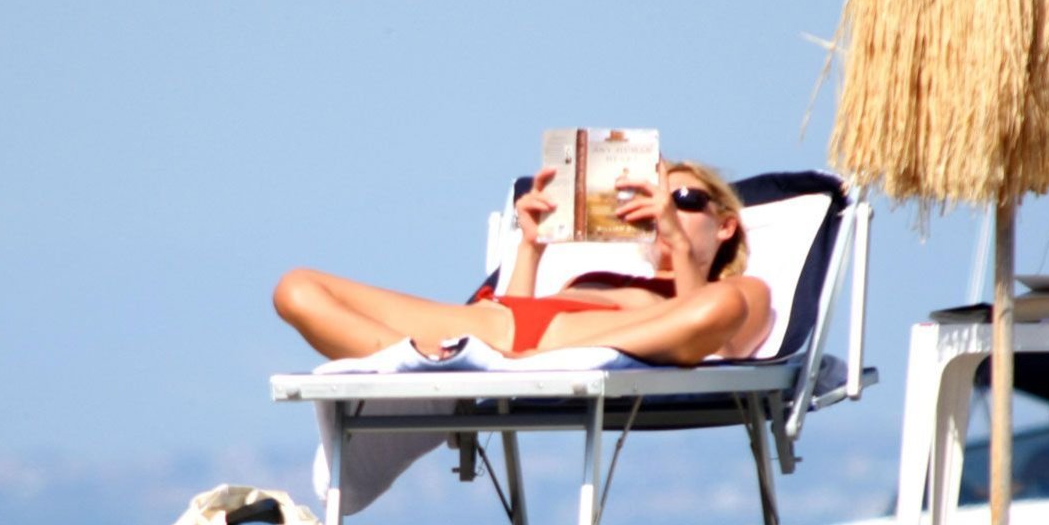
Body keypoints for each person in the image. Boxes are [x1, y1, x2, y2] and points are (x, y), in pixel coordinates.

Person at [273, 160, 772, 366]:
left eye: (684, 199)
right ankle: (416, 366)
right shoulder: (596, 278)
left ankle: (443, 370)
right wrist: (531, 247)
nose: (667, 209)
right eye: (656, 198)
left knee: (721, 306)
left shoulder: (743, 291)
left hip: (550, 354)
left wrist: (679, 247)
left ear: (726, 225)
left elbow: (716, 345)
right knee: (298, 288)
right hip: (488, 336)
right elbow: (514, 312)